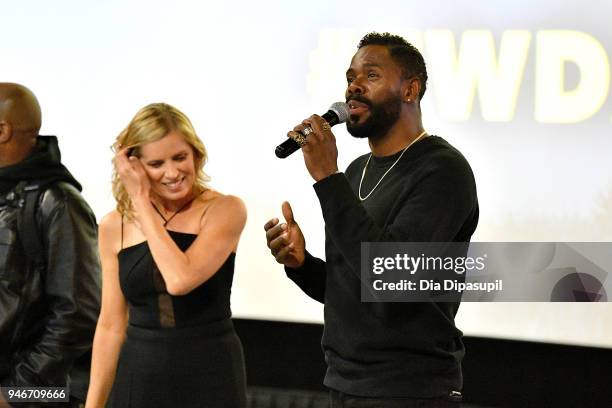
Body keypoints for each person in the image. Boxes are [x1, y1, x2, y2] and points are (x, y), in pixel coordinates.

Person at [264, 33, 479, 407]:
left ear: (410, 90)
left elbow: (390, 276)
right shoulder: (355, 171)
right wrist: (302, 265)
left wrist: (328, 180)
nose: (354, 88)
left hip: (410, 389)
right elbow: (352, 289)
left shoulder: (443, 170)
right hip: (346, 384)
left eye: (371, 76)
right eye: (350, 78)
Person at [85, 103, 247, 408]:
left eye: (180, 157)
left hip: (209, 372)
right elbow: (110, 325)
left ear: (196, 155)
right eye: (157, 163)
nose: (172, 173)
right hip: (140, 372)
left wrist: (139, 200)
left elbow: (179, 279)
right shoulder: (112, 226)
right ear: (133, 166)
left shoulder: (224, 209)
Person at [0, 83, 101, 407]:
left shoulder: (58, 202)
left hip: (30, 396)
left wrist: (14, 394)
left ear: (2, 130)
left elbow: (77, 315)